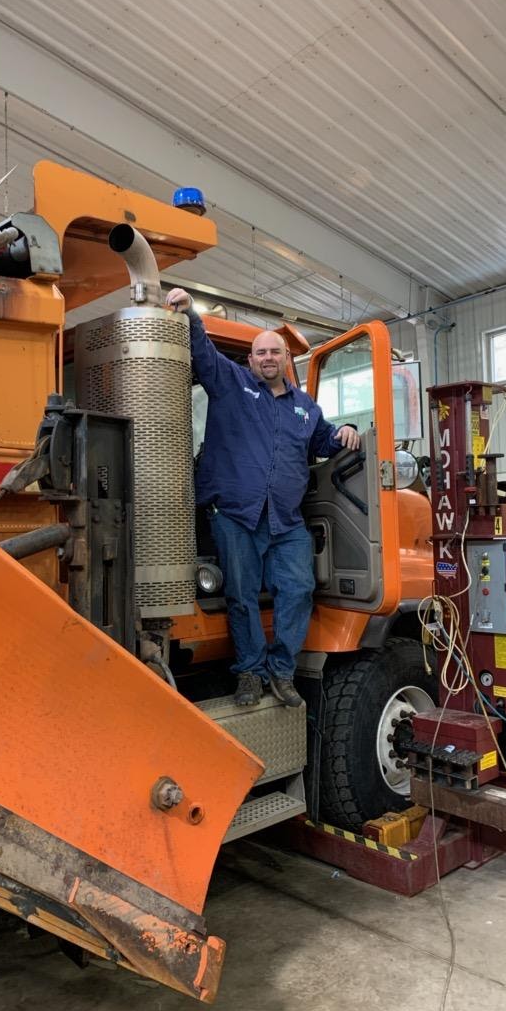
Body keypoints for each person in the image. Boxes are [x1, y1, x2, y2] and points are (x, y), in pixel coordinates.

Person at [166, 288, 360, 708]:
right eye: (261, 353)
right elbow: (203, 354)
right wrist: (191, 317)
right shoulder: (231, 384)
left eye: (276, 352)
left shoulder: (305, 408)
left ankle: (281, 670)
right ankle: (250, 673)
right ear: (251, 361)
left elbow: (325, 441)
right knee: (241, 595)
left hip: (285, 521)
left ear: (285, 360)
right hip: (236, 515)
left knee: (298, 589)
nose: (269, 358)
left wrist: (345, 431)